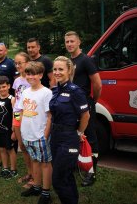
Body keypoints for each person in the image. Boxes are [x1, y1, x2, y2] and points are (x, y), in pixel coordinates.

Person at [49, 56, 90, 204]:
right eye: (55, 69)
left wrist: (79, 133)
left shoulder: (75, 91)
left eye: (61, 69)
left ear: (69, 70)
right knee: (65, 175)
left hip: (68, 137)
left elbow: (86, 115)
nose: (57, 72)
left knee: (58, 179)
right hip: (55, 137)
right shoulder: (55, 90)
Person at [64, 31, 102, 186]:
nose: (69, 44)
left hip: (85, 104)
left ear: (79, 42)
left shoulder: (86, 60)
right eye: (67, 42)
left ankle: (91, 172)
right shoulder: (67, 61)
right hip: (71, 105)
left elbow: (97, 84)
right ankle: (76, 164)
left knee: (90, 137)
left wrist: (93, 101)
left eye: (72, 41)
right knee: (75, 136)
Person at [19, 62, 53, 204]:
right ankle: (37, 186)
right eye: (28, 74)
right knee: (34, 160)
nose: (30, 77)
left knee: (45, 163)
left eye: (33, 74)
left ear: (40, 75)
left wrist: (45, 135)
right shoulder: (25, 91)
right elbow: (21, 111)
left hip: (40, 135)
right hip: (27, 134)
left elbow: (50, 116)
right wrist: (21, 128)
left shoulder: (46, 92)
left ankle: (46, 192)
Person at [12, 52, 34, 188]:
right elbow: (16, 100)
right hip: (17, 115)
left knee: (31, 147)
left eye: (20, 62)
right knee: (22, 146)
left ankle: (36, 177)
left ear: (27, 63)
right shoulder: (16, 80)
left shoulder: (32, 79)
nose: (18, 65)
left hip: (29, 116)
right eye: (16, 63)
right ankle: (30, 173)